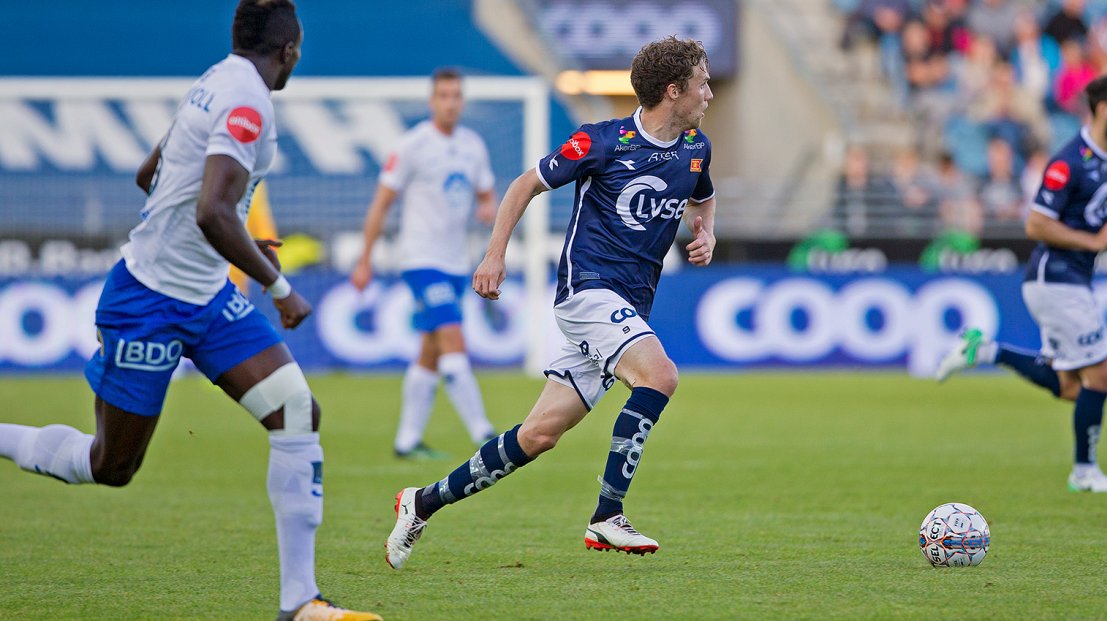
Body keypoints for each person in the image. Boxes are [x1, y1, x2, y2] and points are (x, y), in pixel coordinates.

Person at [0, 3, 380, 619]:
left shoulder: (212, 82)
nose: (297, 59)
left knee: (295, 411)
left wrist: (229, 239)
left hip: (207, 297)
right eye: (298, 50)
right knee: (111, 465)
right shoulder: (248, 102)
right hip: (147, 301)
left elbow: (151, 173)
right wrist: (279, 287)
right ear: (287, 49)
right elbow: (210, 210)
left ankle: (300, 602)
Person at [383, 36, 716, 569]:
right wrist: (494, 256)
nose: (709, 92)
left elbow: (702, 194)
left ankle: (420, 502)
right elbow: (522, 186)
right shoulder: (601, 142)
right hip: (587, 292)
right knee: (661, 376)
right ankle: (607, 516)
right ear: (673, 90)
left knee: (539, 435)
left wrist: (708, 234)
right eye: (702, 81)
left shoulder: (696, 146)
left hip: (631, 304)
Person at [937, 75, 1107, 493]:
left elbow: (1094, 218)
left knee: (1071, 387)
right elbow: (1036, 224)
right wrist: (1096, 241)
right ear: (1103, 109)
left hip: (1073, 278)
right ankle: (1085, 473)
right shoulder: (1069, 162)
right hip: (1055, 277)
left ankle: (985, 349)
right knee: (1100, 374)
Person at [351, 68, 497, 460]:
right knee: (452, 336)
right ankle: (484, 433)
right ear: (433, 101)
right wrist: (364, 260)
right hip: (419, 259)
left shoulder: (473, 146)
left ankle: (406, 440)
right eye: (444, 96)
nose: (451, 102)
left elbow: (487, 193)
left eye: (456, 95)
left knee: (431, 349)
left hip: (454, 262)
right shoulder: (412, 145)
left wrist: (487, 206)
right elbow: (381, 204)